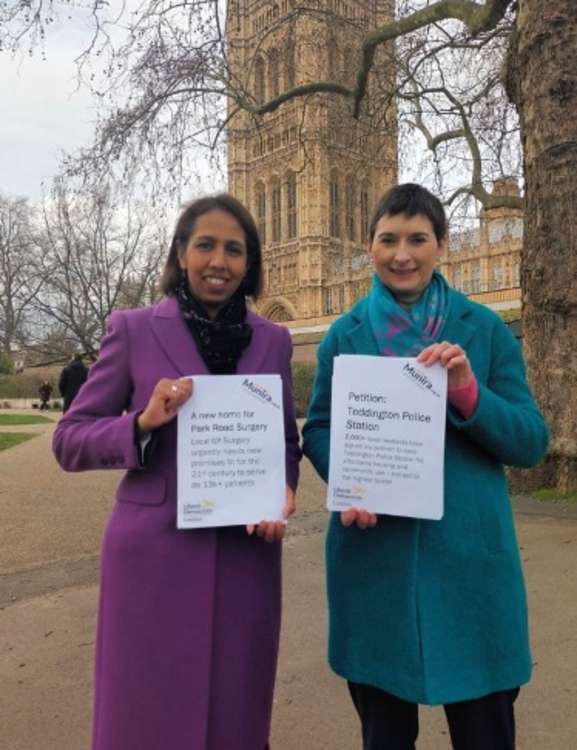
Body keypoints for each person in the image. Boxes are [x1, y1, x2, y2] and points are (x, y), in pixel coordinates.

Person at [303, 183, 548, 750]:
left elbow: (531, 442)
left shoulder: (483, 330)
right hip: (374, 565)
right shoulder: (344, 335)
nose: (402, 254)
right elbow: (318, 428)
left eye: (417, 239)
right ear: (370, 248)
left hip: (468, 568)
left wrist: (467, 393)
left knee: (485, 733)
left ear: (441, 245)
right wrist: (347, 480)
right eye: (388, 240)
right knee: (384, 735)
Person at [53, 194, 301, 750]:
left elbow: (284, 440)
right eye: (206, 245)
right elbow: (69, 439)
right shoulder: (134, 329)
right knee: (146, 711)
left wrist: (280, 490)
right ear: (181, 253)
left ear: (250, 262)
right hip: (153, 558)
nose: (220, 260)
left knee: (236, 709)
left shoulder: (274, 341)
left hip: (245, 556)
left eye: (234, 250)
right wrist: (141, 422)